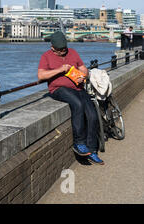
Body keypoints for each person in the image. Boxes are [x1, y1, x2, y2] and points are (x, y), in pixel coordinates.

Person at [38, 31, 104, 165]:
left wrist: (82, 76)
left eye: (64, 49)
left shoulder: (72, 52)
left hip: (78, 88)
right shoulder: (46, 56)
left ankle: (92, 150)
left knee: (92, 115)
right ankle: (79, 143)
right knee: (77, 105)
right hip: (59, 89)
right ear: (52, 48)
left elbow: (84, 68)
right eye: (60, 50)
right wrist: (60, 69)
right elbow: (41, 76)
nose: (63, 51)